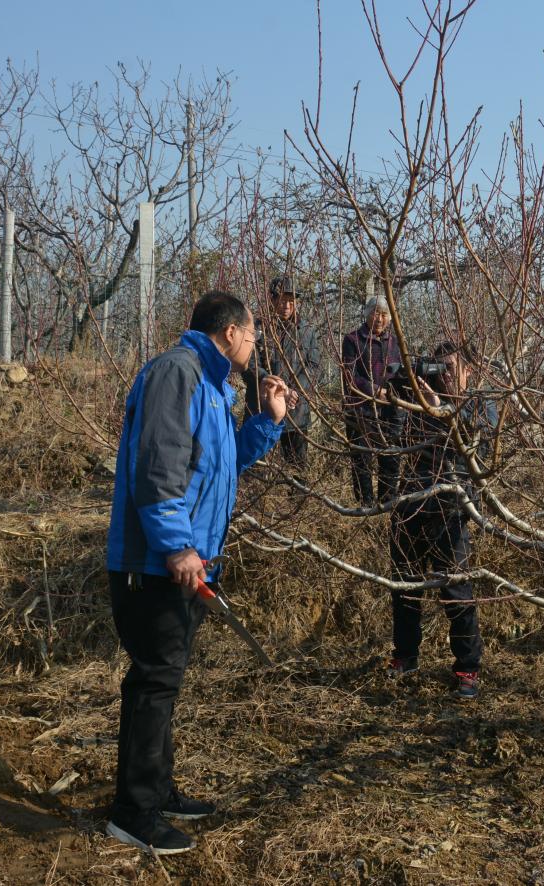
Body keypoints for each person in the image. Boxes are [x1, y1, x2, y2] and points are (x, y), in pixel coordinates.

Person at [105, 291, 296, 854]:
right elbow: (157, 468)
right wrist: (176, 546)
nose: (256, 345)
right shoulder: (176, 374)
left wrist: (266, 421)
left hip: (188, 564)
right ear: (231, 333)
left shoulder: (214, 387)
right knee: (153, 683)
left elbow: (222, 464)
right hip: (157, 565)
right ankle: (132, 813)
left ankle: (157, 790)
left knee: (165, 681)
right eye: (254, 335)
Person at [387, 341, 497, 699]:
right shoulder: (423, 397)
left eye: (451, 368)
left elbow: (480, 448)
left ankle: (468, 667)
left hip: (452, 503)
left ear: (469, 370)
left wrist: (445, 411)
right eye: (439, 367)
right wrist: (405, 394)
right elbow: (398, 436)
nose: (444, 375)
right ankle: (405, 656)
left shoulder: (481, 403)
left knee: (456, 589)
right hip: (414, 498)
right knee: (404, 585)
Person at [244, 275, 320, 467]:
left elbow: (314, 366)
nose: (286, 305)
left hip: (297, 411)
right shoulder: (258, 328)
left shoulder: (306, 330)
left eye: (291, 300)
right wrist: (277, 388)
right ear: (272, 299)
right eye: (282, 299)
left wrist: (294, 391)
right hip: (261, 408)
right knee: (255, 466)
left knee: (297, 467)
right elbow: (248, 364)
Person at [341, 297, 403, 507]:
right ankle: (365, 507)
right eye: (376, 313)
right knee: (362, 463)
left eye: (385, 314)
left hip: (389, 412)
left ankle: (387, 503)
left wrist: (395, 395)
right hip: (360, 411)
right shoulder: (352, 340)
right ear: (367, 314)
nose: (380, 319)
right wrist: (376, 391)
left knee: (390, 459)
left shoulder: (394, 342)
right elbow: (350, 377)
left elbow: (401, 374)